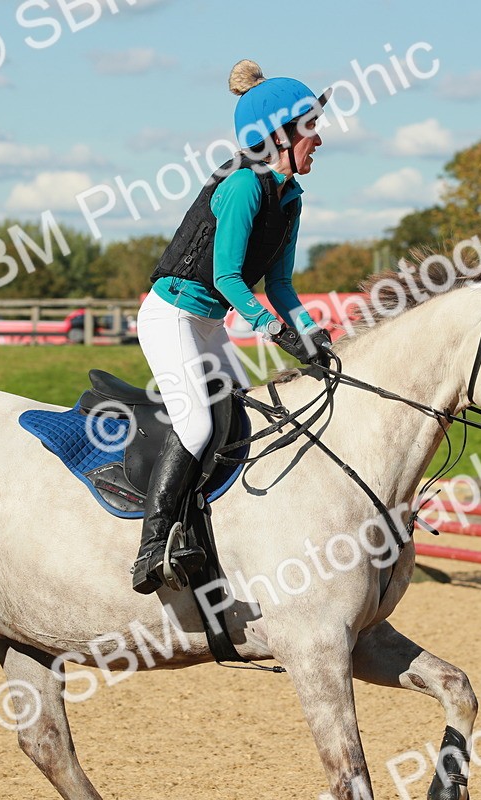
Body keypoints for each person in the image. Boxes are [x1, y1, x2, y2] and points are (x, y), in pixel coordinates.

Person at [129, 59, 331, 594]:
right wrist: (272, 328)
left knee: (241, 419)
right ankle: (151, 549)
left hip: (209, 321)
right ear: (280, 136)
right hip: (172, 314)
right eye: (310, 127)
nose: (319, 139)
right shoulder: (244, 185)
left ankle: (207, 533)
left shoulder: (290, 197)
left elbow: (282, 286)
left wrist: (311, 334)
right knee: (197, 426)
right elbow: (227, 276)